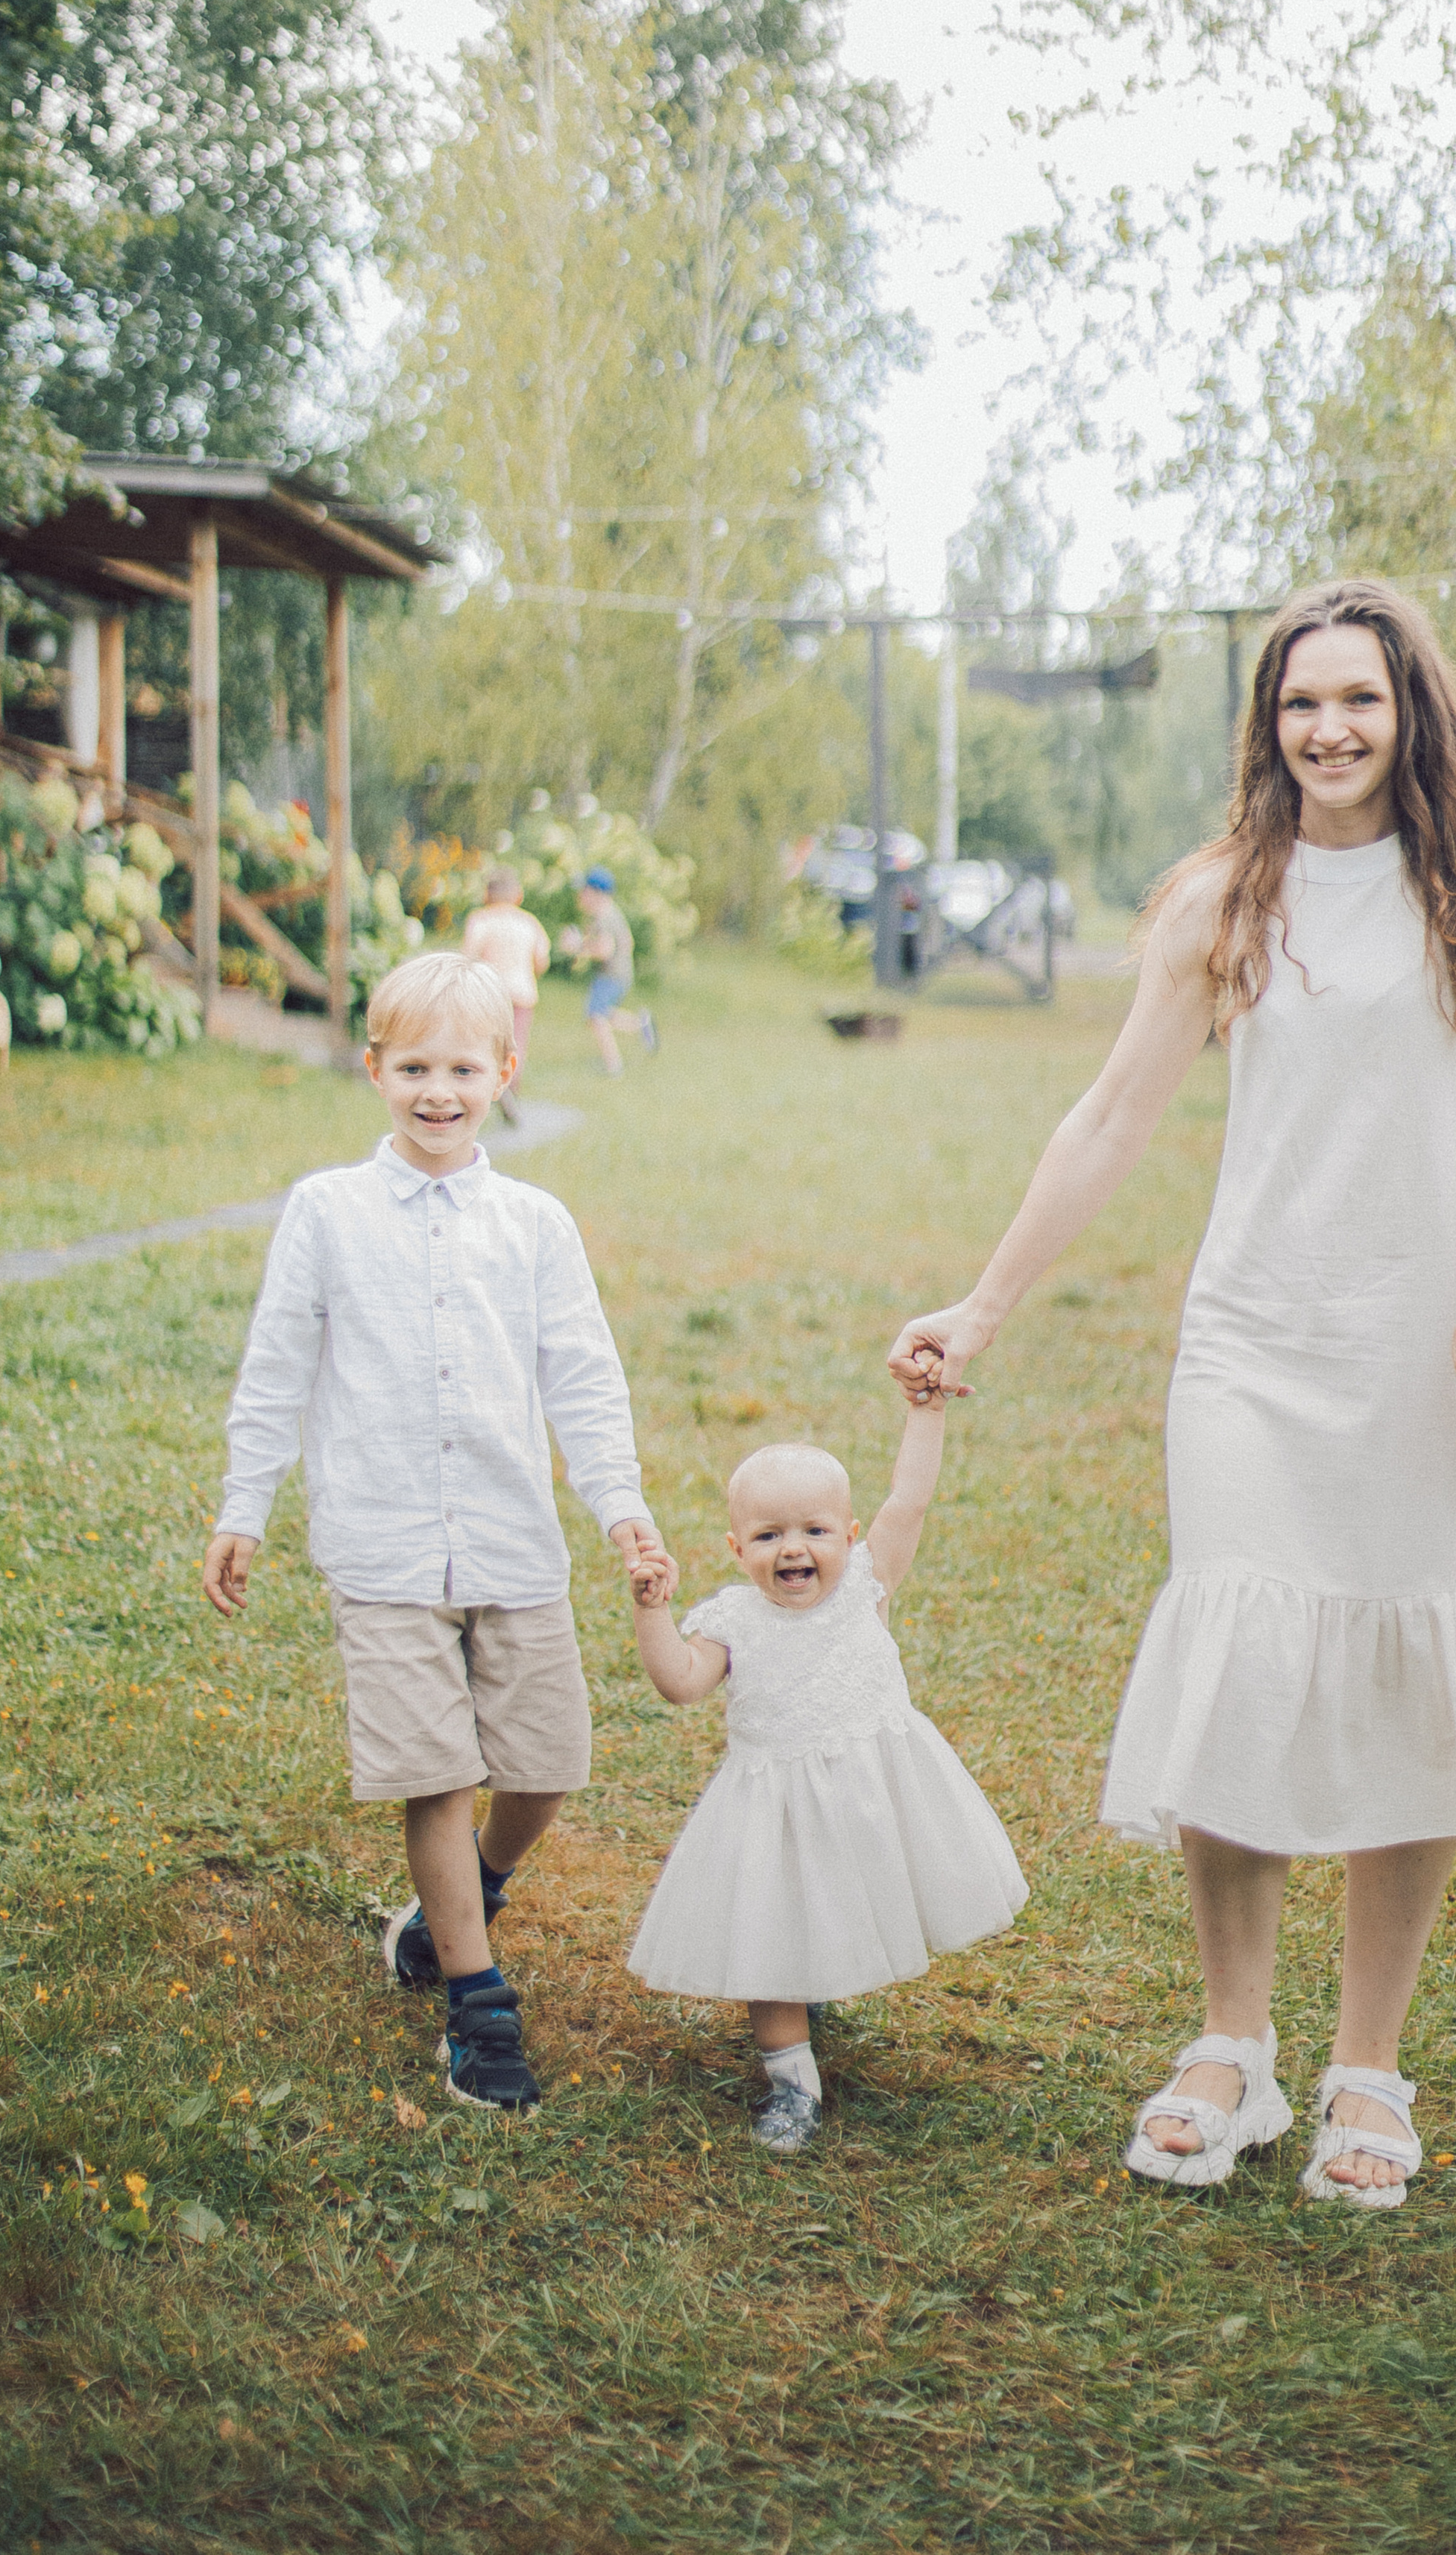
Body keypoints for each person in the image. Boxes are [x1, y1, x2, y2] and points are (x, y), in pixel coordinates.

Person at [888, 578, 1456, 2209]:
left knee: (1406, 1670)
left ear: (1409, 711)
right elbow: (1106, 1118)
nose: (1327, 729)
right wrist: (985, 1300)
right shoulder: (1225, 896)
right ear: (1267, 721)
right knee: (1238, 1662)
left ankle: (1363, 2067)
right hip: (1252, 1345)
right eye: (1300, 702)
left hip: (1433, 1342)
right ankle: (1228, 2048)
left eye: (1358, 700)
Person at [200, 949, 677, 2112]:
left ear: (505, 1071)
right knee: (437, 1772)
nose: (438, 1090)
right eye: (413, 1065)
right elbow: (278, 1369)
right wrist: (242, 1505)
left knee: (549, 1761)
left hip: (515, 1542)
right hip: (386, 1548)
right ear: (374, 1069)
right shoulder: (326, 1213)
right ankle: (477, 2003)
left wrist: (623, 1510)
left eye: (463, 1067)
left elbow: (584, 1378)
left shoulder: (534, 1223)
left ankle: (467, 1892)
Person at [625, 1403, 1027, 2155]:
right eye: (768, 1535)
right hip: (772, 1810)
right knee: (773, 1933)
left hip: (875, 1796)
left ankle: (825, 1989)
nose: (792, 1550)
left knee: (850, 1902)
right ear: (736, 1547)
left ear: (847, 1536)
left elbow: (908, 1498)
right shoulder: (733, 1620)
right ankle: (790, 2079)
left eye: (814, 1531)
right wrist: (653, 1612)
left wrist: (925, 1412)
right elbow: (680, 1684)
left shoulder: (864, 1588)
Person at [461, 866, 550, 1127]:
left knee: (485, 1043)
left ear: (487, 895)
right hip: (522, 992)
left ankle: (486, 1087)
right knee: (516, 1044)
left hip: (490, 992)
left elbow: (469, 956)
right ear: (518, 895)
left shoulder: (481, 920)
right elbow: (541, 960)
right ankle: (510, 1089)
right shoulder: (529, 922)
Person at [564, 866, 656, 1076]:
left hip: (612, 975)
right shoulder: (605, 914)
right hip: (617, 974)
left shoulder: (604, 917)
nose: (581, 896)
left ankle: (613, 1066)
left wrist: (577, 947)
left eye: (584, 891)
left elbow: (605, 950)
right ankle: (641, 1025)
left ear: (596, 894)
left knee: (597, 1017)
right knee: (602, 1014)